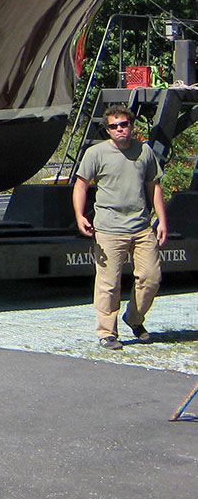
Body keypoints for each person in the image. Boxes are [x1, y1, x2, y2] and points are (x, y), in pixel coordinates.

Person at [72, 105, 166, 350]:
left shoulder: (144, 152)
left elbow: (154, 186)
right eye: (113, 126)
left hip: (142, 227)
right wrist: (80, 215)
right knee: (108, 284)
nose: (119, 129)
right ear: (107, 130)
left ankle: (133, 318)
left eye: (123, 124)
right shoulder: (96, 153)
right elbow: (81, 185)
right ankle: (107, 333)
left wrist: (162, 220)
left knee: (151, 278)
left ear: (131, 126)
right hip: (108, 229)